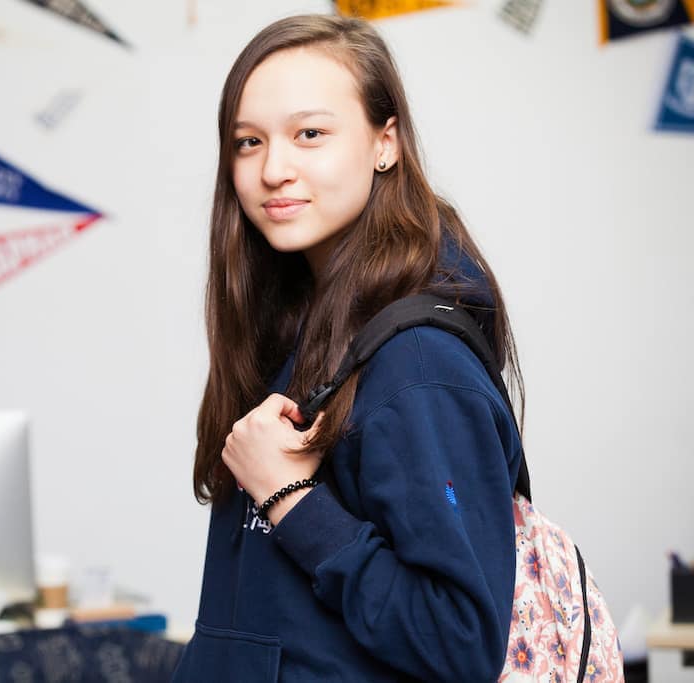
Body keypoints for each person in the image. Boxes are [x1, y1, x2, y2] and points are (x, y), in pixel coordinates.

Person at [173, 14, 525, 682]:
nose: (273, 169)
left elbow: (460, 642)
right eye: (249, 142)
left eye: (310, 133)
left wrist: (290, 496)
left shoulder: (418, 364)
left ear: (384, 142)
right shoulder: (299, 327)